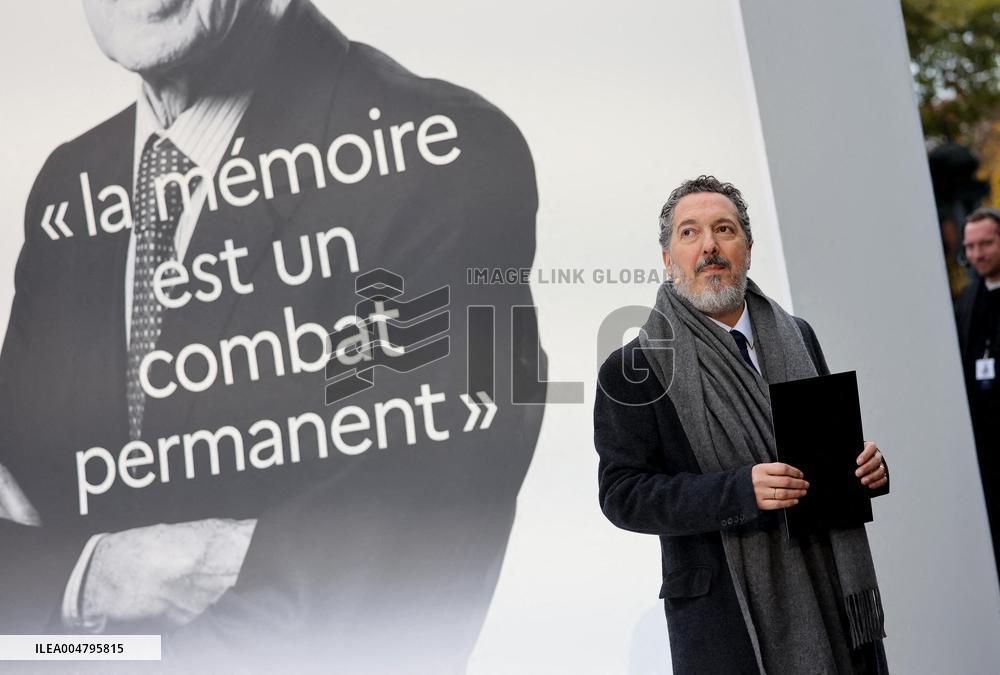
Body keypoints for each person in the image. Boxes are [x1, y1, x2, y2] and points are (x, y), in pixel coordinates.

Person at [0, 0, 544, 671]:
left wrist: (72, 637)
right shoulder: (70, 185)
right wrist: (97, 574)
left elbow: (397, 558)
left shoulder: (444, 155)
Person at [594, 176, 890, 674]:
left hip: (832, 593)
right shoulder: (635, 367)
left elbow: (827, 453)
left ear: (747, 250)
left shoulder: (798, 336)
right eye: (690, 233)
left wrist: (867, 468)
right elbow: (623, 494)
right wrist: (738, 491)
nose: (709, 246)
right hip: (728, 621)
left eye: (724, 229)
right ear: (668, 258)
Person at [955, 206, 1000, 581]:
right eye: (970, 246)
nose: (977, 254)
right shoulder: (967, 300)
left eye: (985, 244)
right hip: (984, 442)